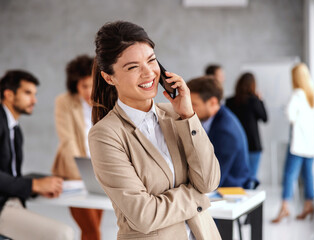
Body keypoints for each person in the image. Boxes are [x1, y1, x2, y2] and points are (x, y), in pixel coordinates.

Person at [89, 21, 221, 239]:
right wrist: (196, 196)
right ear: (109, 77)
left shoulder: (176, 115)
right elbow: (144, 215)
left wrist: (188, 116)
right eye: (133, 67)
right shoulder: (105, 135)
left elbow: (208, 181)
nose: (148, 73)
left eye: (151, 60)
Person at [0, 70, 74, 239]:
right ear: (9, 94)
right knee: (63, 234)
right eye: (27, 93)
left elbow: (9, 176)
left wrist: (38, 188)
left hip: (7, 203)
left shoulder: (15, 129)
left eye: (35, 94)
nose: (34, 100)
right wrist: (34, 185)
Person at [52, 55, 103, 240]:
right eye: (83, 86)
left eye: (92, 85)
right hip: (74, 173)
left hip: (101, 174)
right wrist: (84, 174)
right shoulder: (64, 102)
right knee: (92, 231)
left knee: (92, 229)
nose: (89, 91)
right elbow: (68, 141)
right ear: (75, 85)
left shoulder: (106, 101)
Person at [272, 63, 314, 223]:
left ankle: (284, 207)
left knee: (289, 175)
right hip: (312, 144)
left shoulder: (297, 95)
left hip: (298, 145)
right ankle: (308, 205)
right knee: (308, 175)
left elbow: (291, 116)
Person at [187, 76, 252, 188]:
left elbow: (213, 179)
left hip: (229, 190)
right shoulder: (210, 120)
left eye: (194, 104)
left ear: (213, 102)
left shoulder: (225, 131)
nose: (189, 108)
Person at [226, 72, 267, 188]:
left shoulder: (230, 102)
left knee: (237, 177)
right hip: (253, 144)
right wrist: (260, 100)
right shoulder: (254, 101)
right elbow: (264, 118)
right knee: (251, 177)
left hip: (235, 145)